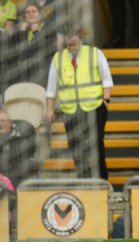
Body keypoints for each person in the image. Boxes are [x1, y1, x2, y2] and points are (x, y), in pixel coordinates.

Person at [46, 29, 113, 180]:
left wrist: (106, 100)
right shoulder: (58, 58)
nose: (72, 47)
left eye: (74, 43)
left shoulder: (95, 53)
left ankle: (102, 179)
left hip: (94, 106)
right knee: (75, 146)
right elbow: (51, 87)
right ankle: (83, 178)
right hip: (70, 110)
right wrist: (49, 108)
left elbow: (107, 79)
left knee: (96, 144)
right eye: (69, 44)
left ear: (81, 39)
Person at [7, 1, 58, 88]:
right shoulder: (21, 32)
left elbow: (47, 51)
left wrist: (36, 32)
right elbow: (11, 51)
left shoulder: (49, 29)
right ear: (24, 16)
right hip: (23, 78)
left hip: (42, 77)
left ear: (40, 14)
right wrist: (21, 32)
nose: (31, 14)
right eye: (28, 12)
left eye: (34, 11)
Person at [0, 110, 32, 187]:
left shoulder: (20, 141)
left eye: (2, 121)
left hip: (14, 179)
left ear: (10, 123)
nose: (0, 124)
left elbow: (20, 165)